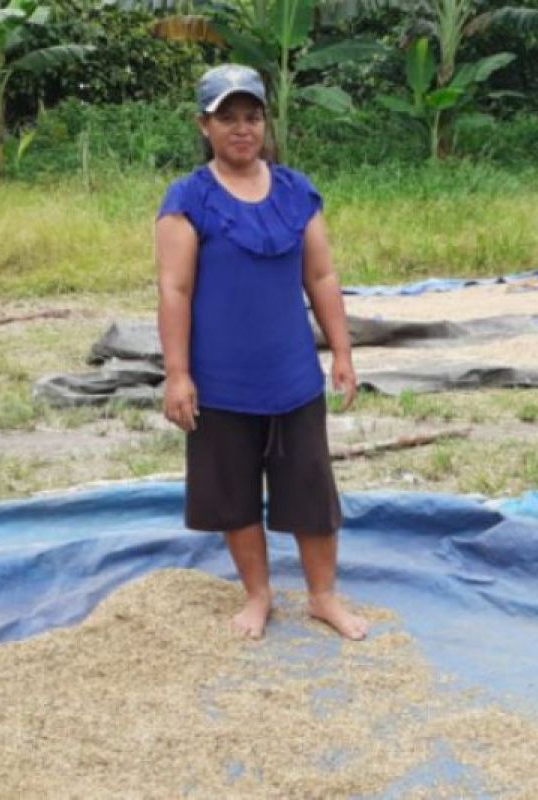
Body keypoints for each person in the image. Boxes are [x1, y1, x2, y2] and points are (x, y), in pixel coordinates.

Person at [155, 64, 367, 642]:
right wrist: (177, 375)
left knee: (311, 491)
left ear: (265, 122)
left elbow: (321, 276)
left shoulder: (297, 192)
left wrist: (342, 352)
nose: (242, 129)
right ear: (204, 125)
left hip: (293, 377)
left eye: (252, 116)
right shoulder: (187, 200)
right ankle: (258, 594)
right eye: (228, 118)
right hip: (221, 383)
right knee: (235, 494)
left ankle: (323, 596)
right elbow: (174, 290)